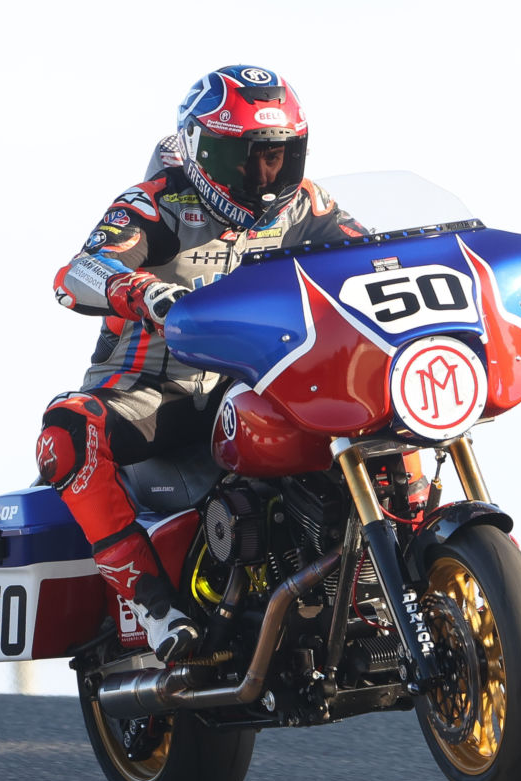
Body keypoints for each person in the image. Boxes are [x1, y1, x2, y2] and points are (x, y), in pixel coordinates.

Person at [39, 65, 367, 660]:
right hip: (159, 389)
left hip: (261, 381)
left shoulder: (306, 205)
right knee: (68, 429)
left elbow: (369, 252)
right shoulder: (159, 203)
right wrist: (141, 292)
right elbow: (76, 273)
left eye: (279, 156)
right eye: (243, 156)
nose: (265, 175)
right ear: (197, 149)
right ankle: (149, 605)